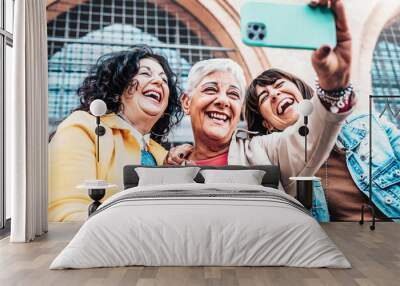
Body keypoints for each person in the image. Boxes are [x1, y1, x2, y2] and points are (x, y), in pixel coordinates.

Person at [166, 0, 356, 197]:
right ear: (187, 103)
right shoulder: (171, 167)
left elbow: (307, 138)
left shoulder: (263, 150)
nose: (223, 101)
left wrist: (333, 88)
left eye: (233, 94)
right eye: (211, 89)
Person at [245, 68, 400, 222]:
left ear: (300, 90)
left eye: (279, 85)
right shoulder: (280, 169)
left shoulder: (369, 124)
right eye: (264, 97)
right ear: (267, 125)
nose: (274, 94)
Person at [49, 45, 183, 221]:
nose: (159, 82)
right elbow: (67, 212)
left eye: (164, 80)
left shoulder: (163, 156)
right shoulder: (82, 128)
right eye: (145, 73)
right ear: (117, 89)